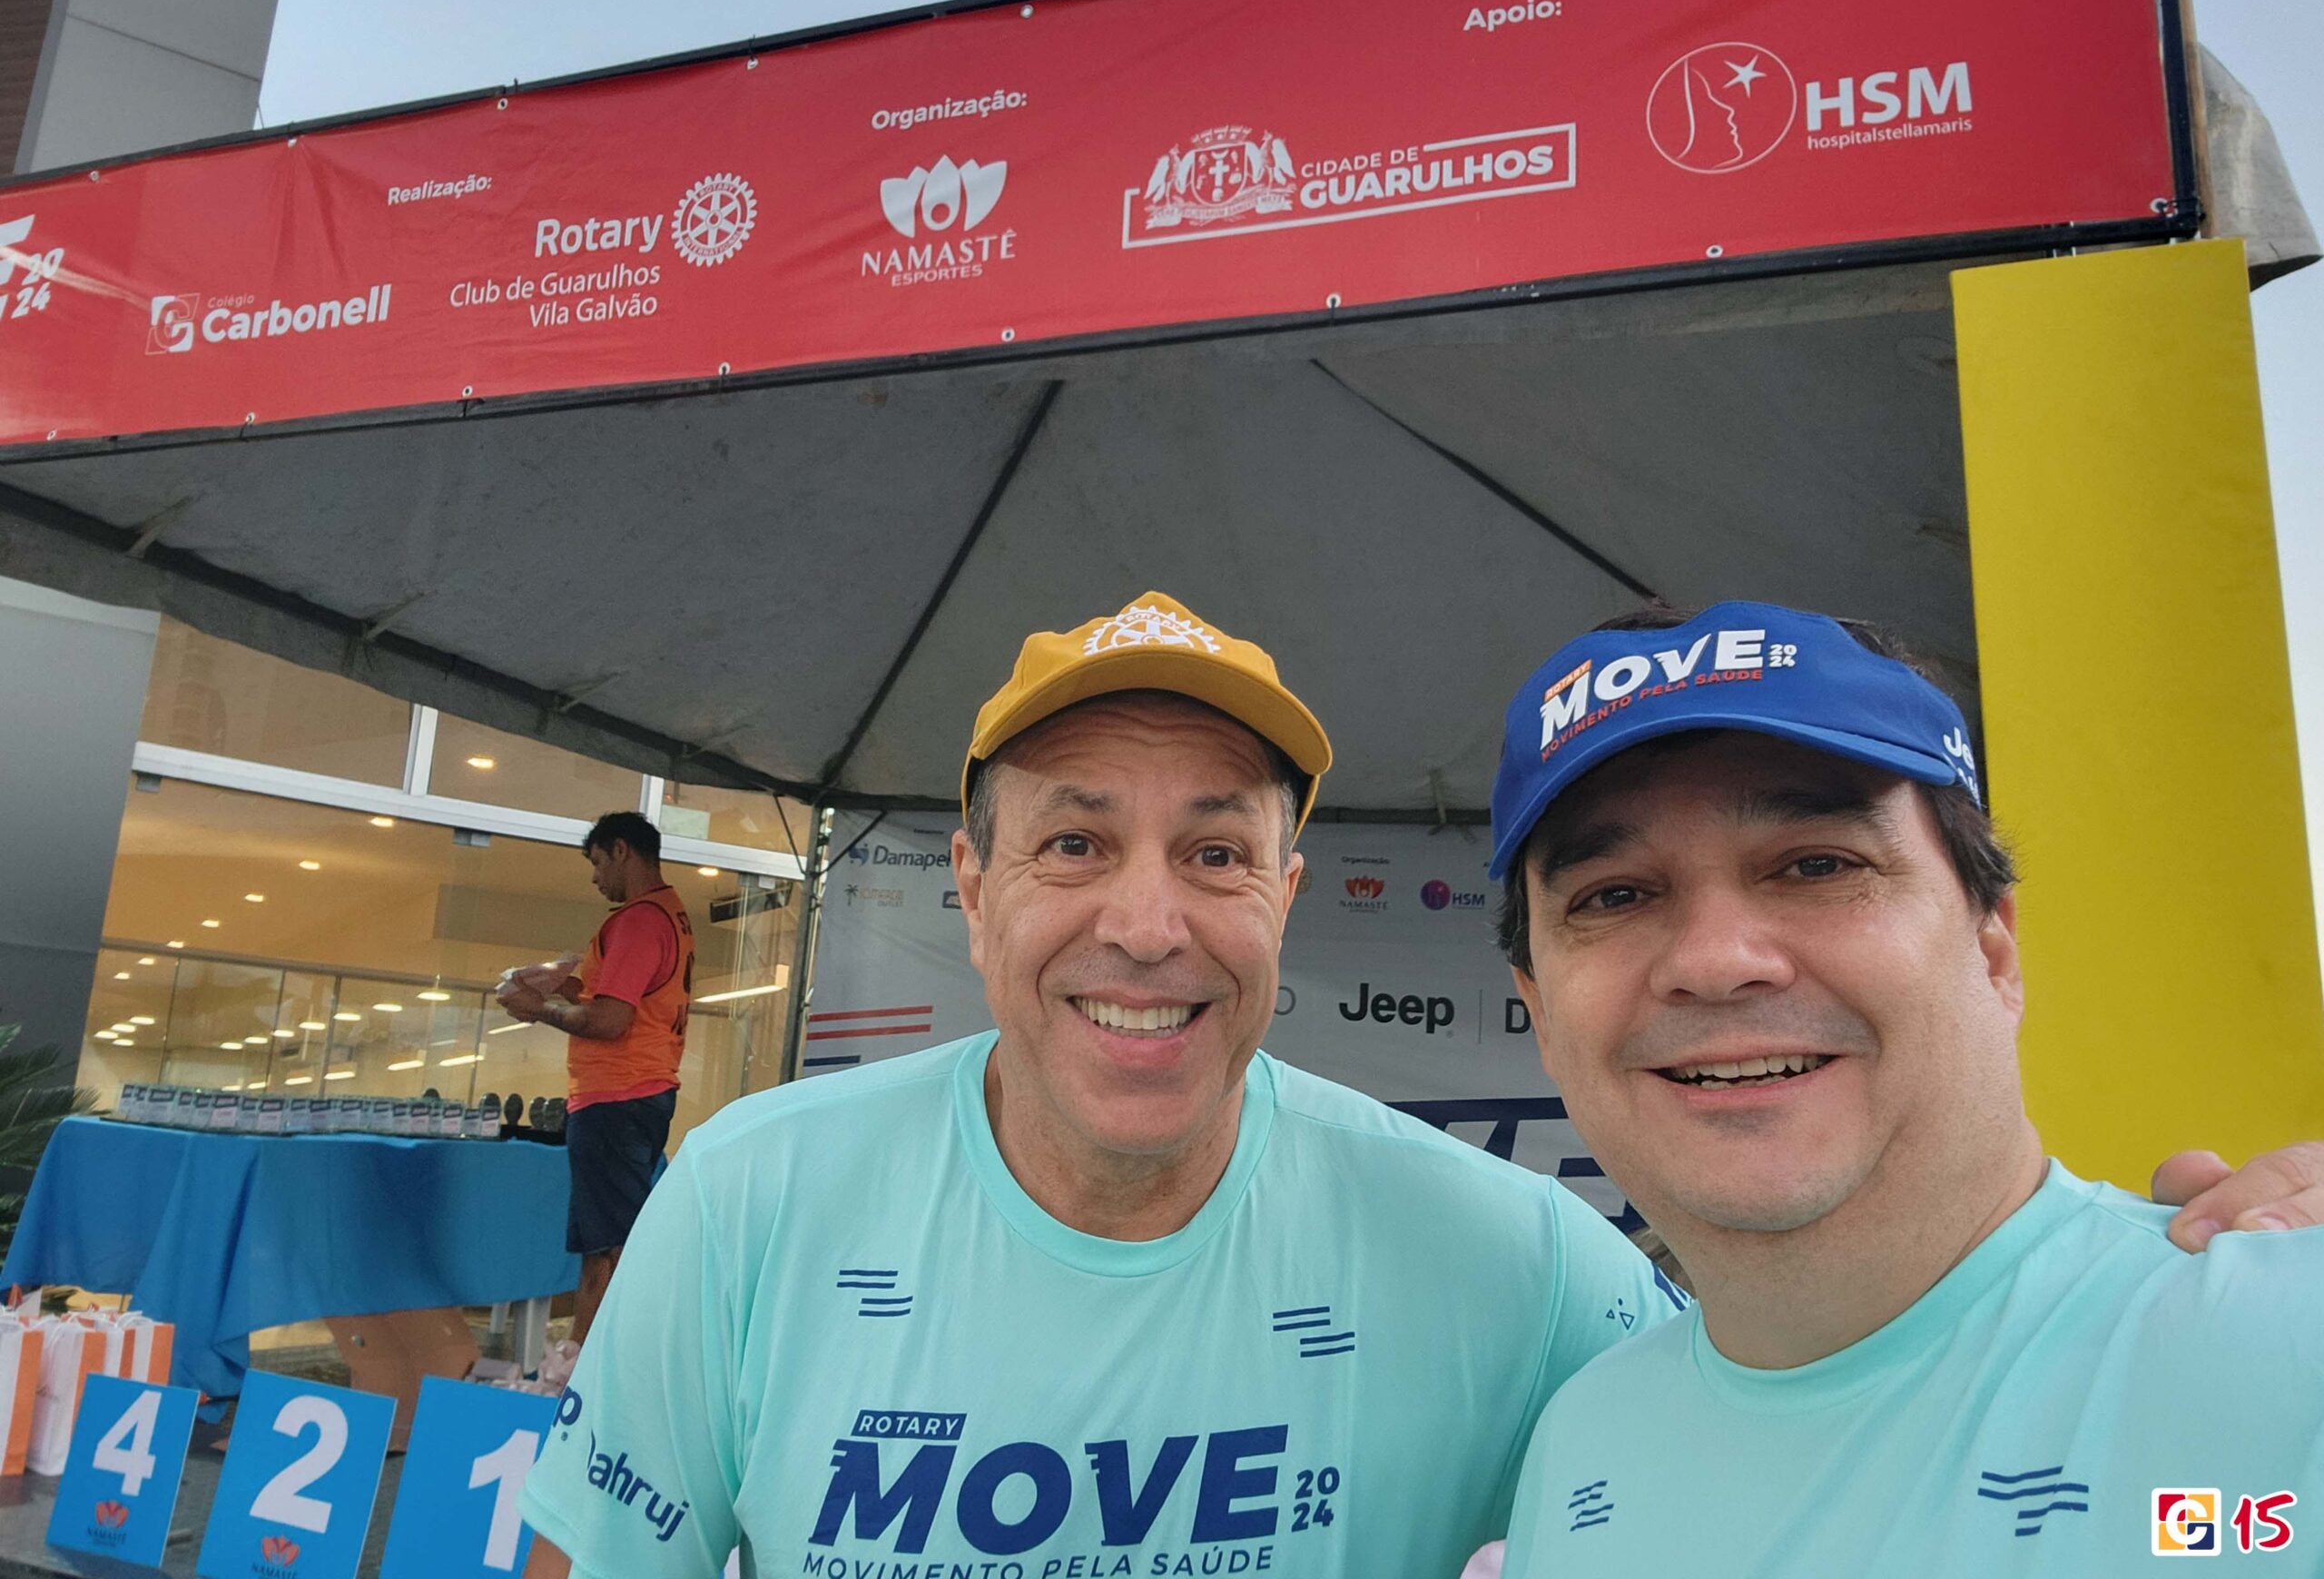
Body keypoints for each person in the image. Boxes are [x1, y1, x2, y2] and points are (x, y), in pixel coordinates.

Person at [520, 593, 2320, 1578]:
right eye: (1072, 843)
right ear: (973, 892)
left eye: (1813, 864)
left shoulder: (2271, 1359)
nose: (1144, 920)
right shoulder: (1604, 1458)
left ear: (1995, 945)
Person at [1485, 602, 2324, 1574]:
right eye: (1615, 895)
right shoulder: (1583, 1440)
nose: (1714, 961)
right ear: (1542, 1015)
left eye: (1817, 865)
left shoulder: (2289, 1342)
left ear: (1993, 951)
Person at [495, 809, 694, 1347]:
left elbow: (610, 1020)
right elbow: (622, 998)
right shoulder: (670, 915)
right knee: (613, 1233)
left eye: (598, 862)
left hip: (617, 1095)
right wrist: (565, 986)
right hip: (642, 1091)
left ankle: (585, 1363)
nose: (594, 878)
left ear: (621, 850)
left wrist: (539, 1010)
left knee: (607, 1244)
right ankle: (601, 1356)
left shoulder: (637, 921)